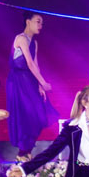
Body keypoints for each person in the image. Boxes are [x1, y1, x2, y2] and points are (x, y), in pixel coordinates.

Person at [7, 11, 57, 161]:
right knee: (25, 115)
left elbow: (35, 64)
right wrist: (43, 82)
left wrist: (40, 86)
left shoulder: (34, 43)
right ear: (28, 22)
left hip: (30, 81)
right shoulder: (21, 38)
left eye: (42, 23)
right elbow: (28, 63)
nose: (40, 25)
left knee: (39, 113)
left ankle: (26, 151)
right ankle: (22, 153)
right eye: (38, 21)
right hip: (18, 82)